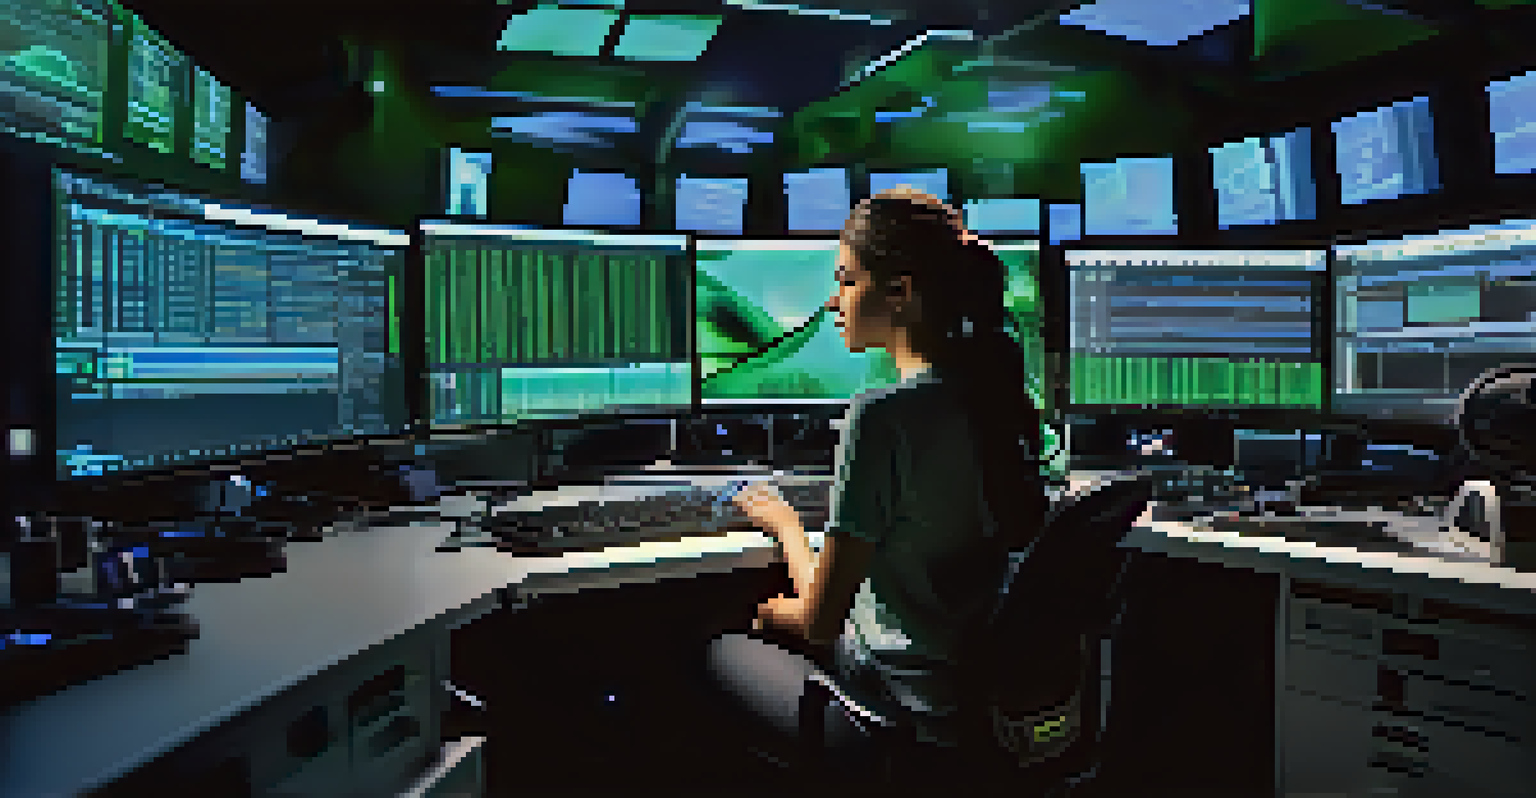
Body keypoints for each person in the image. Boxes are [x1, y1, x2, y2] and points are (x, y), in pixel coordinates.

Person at [702, 188, 1050, 788]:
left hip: (897, 718)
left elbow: (817, 623)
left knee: (721, 645)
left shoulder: (882, 419)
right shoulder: (996, 401)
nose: (834, 302)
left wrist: (786, 536)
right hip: (966, 717)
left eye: (847, 281)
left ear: (901, 293)